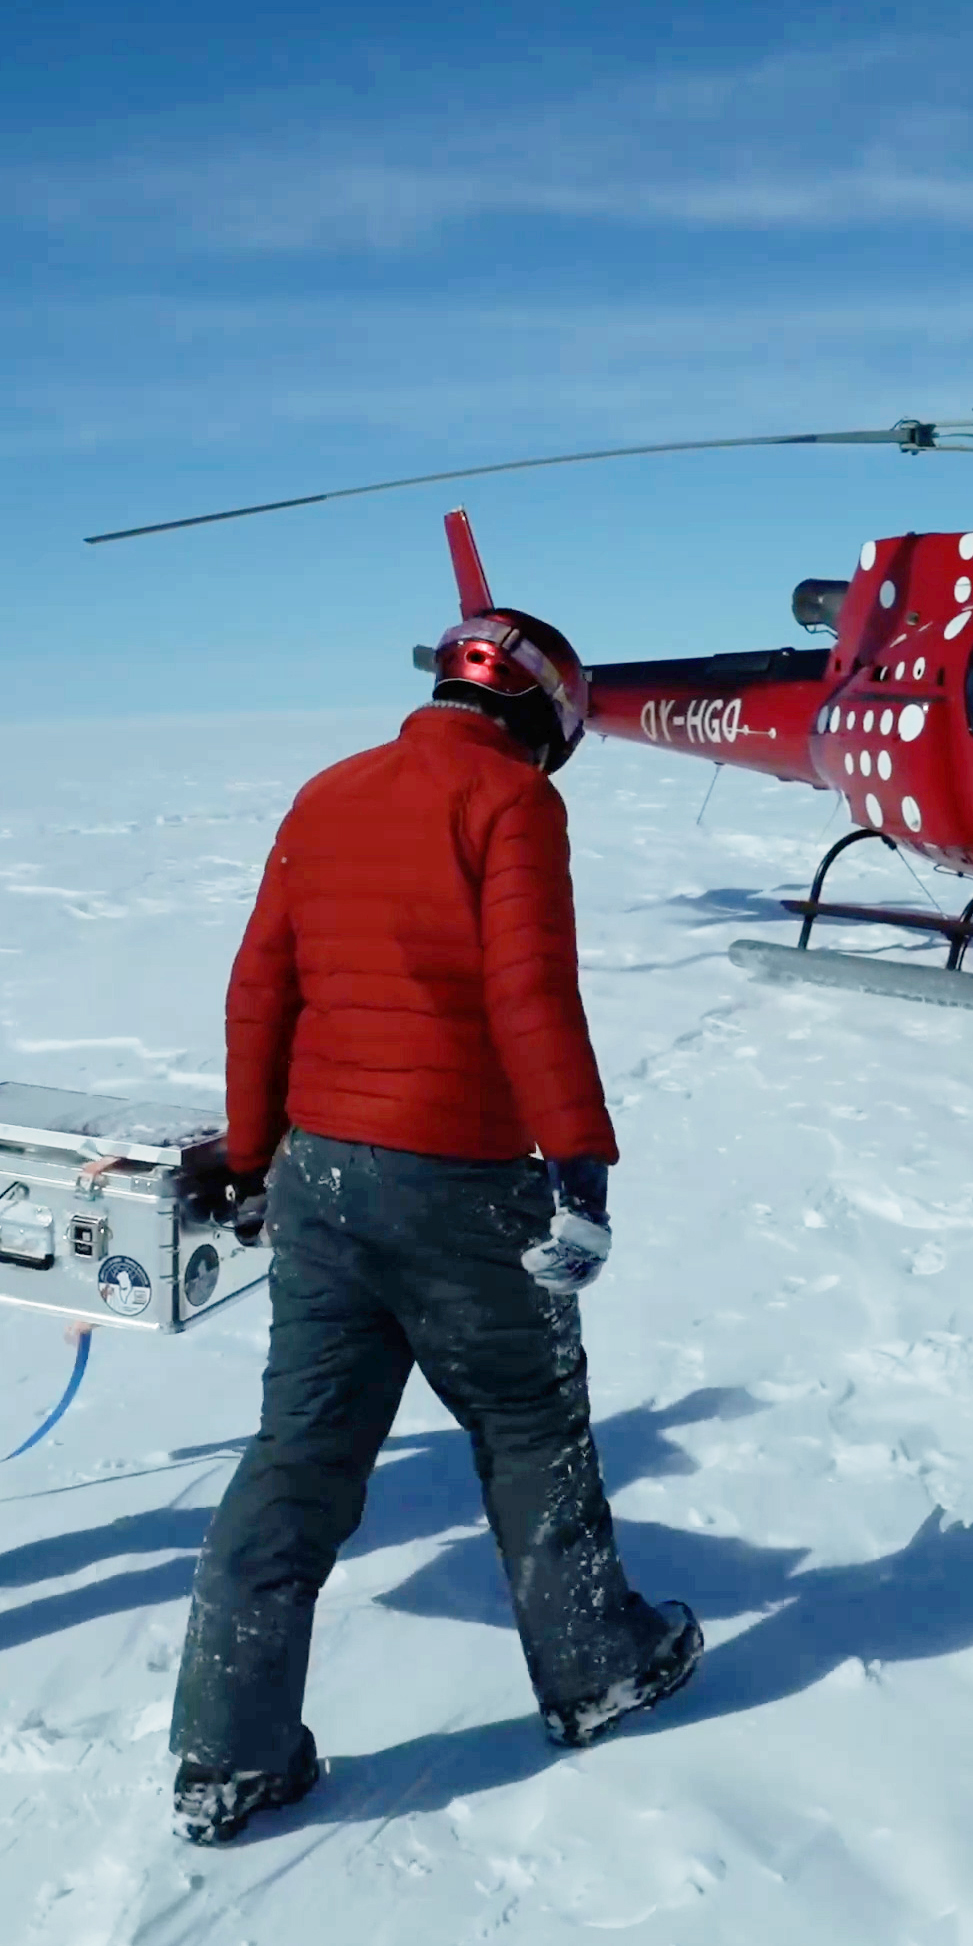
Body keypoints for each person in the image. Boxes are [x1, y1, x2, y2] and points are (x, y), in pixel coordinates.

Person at [166, 607, 700, 1844]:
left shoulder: (329, 792)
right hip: (459, 1180)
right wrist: (581, 1155)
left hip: (320, 1182)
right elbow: (528, 988)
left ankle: (227, 1754)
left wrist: (254, 1159)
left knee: (297, 1460)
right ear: (540, 713)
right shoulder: (513, 803)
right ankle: (595, 1665)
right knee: (527, 1424)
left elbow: (263, 987)